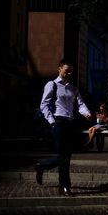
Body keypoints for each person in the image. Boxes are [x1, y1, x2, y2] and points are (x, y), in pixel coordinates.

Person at [34, 59, 92, 197]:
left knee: (65, 155)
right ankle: (64, 186)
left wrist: (87, 113)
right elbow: (43, 104)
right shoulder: (52, 85)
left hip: (70, 123)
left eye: (71, 71)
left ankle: (42, 166)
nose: (69, 73)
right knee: (65, 155)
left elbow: (80, 104)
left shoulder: (73, 89)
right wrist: (52, 121)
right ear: (59, 69)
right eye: (66, 71)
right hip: (58, 122)